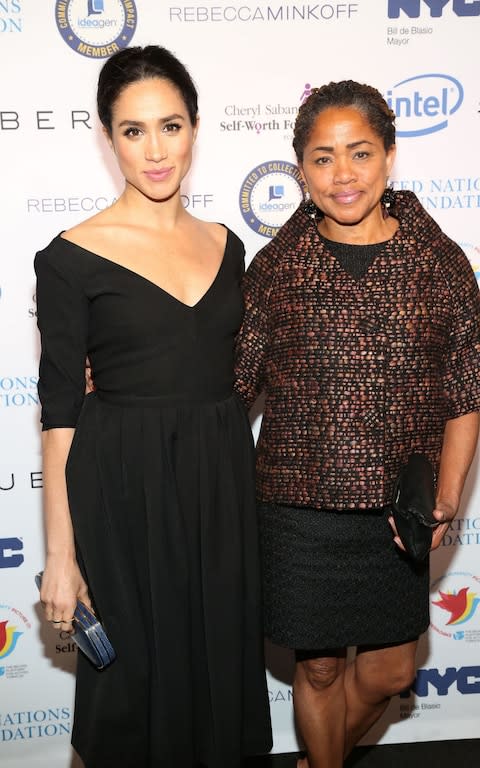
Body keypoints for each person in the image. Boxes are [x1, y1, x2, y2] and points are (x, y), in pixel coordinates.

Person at [34, 45, 272, 768]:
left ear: (195, 127)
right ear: (108, 137)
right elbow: (60, 416)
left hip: (221, 489)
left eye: (170, 125)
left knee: (214, 678)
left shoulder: (229, 247)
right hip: (124, 493)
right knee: (129, 698)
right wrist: (61, 557)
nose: (155, 149)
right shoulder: (71, 257)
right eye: (133, 131)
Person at [234, 80, 480, 768]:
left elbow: (466, 391)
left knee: (391, 674)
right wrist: (128, 372)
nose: (343, 175)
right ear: (302, 168)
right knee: (315, 671)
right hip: (295, 509)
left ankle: (322, 758)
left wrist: (447, 498)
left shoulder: (439, 261)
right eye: (322, 158)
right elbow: (228, 378)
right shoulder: (277, 267)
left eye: (360, 153)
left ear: (390, 156)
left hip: (396, 515)